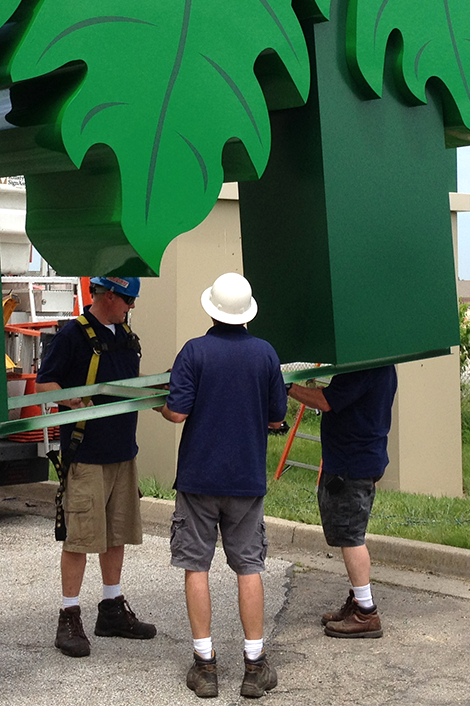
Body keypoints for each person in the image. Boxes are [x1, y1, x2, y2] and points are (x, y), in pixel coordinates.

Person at [160, 273, 288, 700]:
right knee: (248, 567)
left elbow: (177, 415)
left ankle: (205, 666)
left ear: (211, 309)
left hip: (198, 478)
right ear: (247, 313)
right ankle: (255, 666)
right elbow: (275, 419)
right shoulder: (266, 355)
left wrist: (167, 400)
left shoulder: (194, 353)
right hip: (246, 480)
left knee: (197, 566)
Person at [35, 274, 156, 657]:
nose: (131, 307)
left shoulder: (127, 337)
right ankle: (69, 615)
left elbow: (129, 385)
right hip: (86, 454)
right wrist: (72, 401)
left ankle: (111, 608)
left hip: (122, 451)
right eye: (127, 300)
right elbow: (44, 384)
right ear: (105, 295)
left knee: (116, 532)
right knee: (80, 537)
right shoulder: (73, 335)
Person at [286, 364, 398, 639]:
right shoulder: (382, 363)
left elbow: (325, 401)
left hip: (353, 464)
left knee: (351, 537)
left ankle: (366, 613)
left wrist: (287, 387)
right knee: (347, 533)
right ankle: (359, 602)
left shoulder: (364, 369)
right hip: (359, 459)